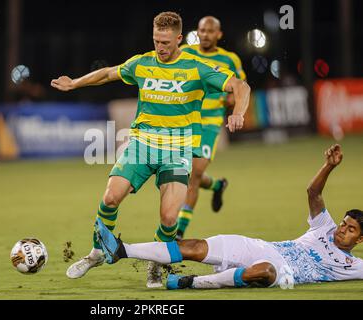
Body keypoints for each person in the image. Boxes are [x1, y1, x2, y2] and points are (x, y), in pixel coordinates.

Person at [51, 11, 250, 287]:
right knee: (110, 198)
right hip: (142, 145)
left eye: (166, 42)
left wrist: (239, 112)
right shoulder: (142, 63)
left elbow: (240, 86)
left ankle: (155, 263)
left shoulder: (196, 67)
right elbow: (108, 73)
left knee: (169, 218)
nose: (160, 47)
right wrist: (75, 83)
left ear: (179, 39)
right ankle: (97, 252)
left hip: (178, 148)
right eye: (157, 41)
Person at [96, 144, 363, 289]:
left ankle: (194, 282)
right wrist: (328, 166)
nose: (341, 229)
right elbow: (313, 192)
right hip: (263, 247)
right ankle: (121, 249)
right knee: (194, 246)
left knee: (266, 272)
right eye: (343, 223)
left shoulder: (354, 266)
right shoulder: (323, 228)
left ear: (360, 239)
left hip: (285, 272)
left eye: (350, 230)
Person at [177, 16, 247, 240]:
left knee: (194, 173)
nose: (205, 34)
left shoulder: (229, 59)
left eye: (210, 31)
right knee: (187, 174)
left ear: (219, 34)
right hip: (184, 121)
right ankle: (217, 185)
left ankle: (178, 232)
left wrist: (232, 102)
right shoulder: (185, 52)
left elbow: (240, 87)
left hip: (209, 124)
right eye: (201, 30)